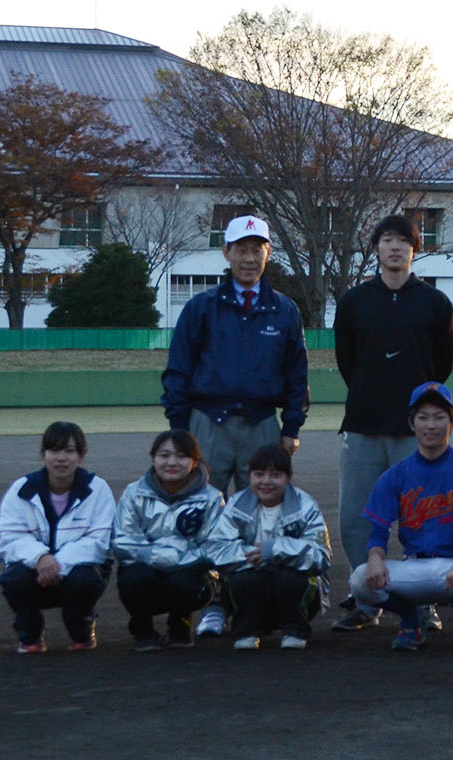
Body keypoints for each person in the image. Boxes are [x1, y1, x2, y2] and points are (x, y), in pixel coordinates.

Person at [161, 213, 307, 638]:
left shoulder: (284, 310)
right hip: (208, 424)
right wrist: (179, 431)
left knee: (262, 518)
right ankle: (206, 602)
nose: (249, 257)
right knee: (202, 514)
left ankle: (250, 604)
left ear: (268, 254)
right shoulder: (201, 307)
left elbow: (297, 375)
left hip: (263, 423)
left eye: (256, 249)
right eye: (240, 249)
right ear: (226, 253)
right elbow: (178, 370)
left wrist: (291, 425)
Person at [331, 212, 453, 633]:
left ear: (415, 249)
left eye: (404, 240)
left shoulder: (434, 303)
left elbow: (442, 364)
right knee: (357, 518)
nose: (396, 247)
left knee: (424, 518)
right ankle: (369, 600)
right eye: (387, 239)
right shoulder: (355, 300)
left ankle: (423, 602)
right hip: (364, 424)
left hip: (416, 432)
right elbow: (347, 361)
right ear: (377, 248)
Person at [351, 382, 453, 652]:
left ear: (452, 423)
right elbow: (378, 530)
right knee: (360, 580)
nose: (431, 425)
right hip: (415, 568)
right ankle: (410, 619)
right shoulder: (396, 475)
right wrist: (375, 558)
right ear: (412, 424)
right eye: (423, 418)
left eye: (439, 417)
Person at [0, 421, 115, 654]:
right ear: (43, 455)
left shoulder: (98, 489)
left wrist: (56, 563)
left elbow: (99, 542)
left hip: (78, 571)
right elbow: (10, 538)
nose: (61, 458)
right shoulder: (22, 489)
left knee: (85, 579)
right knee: (14, 578)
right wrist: (40, 558)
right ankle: (30, 637)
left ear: (82, 455)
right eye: (54, 450)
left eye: (69, 451)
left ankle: (81, 631)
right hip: (34, 572)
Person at [207, 445, 332, 650]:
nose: (266, 481)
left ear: (288, 477)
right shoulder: (237, 504)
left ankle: (295, 629)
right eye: (259, 474)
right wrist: (253, 556)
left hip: (292, 586)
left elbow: (321, 555)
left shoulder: (306, 505)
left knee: (289, 578)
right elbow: (216, 549)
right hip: (251, 581)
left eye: (275, 475)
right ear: (249, 476)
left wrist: (275, 550)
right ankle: (246, 631)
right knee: (243, 578)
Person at [113, 430, 225, 652]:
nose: (172, 462)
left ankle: (180, 626)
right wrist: (162, 557)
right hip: (146, 569)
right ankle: (143, 630)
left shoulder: (212, 498)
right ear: (153, 458)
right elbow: (124, 541)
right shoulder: (133, 493)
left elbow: (214, 547)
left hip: (189, 572)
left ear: (194, 462)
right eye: (164, 455)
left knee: (185, 583)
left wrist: (173, 559)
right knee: (134, 578)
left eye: (182, 456)